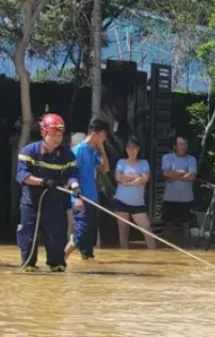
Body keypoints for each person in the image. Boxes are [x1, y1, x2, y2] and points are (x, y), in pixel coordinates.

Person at [16, 113, 83, 272]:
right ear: (43, 133)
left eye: (60, 135)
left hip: (54, 202)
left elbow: (71, 175)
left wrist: (74, 187)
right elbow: (22, 176)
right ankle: (29, 265)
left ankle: (57, 266)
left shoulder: (67, 154)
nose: (57, 138)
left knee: (56, 237)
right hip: (31, 202)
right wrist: (43, 182)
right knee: (28, 237)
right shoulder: (29, 151)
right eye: (53, 134)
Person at [65, 118, 110, 261]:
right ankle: (60, 259)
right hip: (81, 199)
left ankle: (88, 264)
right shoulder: (77, 151)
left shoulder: (92, 151)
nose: (105, 138)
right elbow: (70, 175)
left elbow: (106, 168)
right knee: (80, 235)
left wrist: (101, 147)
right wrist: (77, 197)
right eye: (104, 135)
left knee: (89, 237)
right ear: (97, 133)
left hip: (92, 199)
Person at [113, 136, 156, 249]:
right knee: (123, 231)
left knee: (147, 230)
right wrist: (136, 176)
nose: (131, 150)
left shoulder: (144, 163)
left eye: (134, 148)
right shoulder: (121, 162)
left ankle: (154, 254)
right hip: (121, 201)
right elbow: (118, 177)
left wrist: (128, 182)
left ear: (138, 149)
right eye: (129, 148)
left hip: (138, 204)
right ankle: (124, 256)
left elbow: (144, 178)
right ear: (126, 149)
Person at [161, 135, 197, 247]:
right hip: (170, 198)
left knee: (186, 225)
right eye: (181, 144)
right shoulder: (167, 158)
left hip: (186, 199)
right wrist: (183, 172)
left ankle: (187, 249)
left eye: (185, 144)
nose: (183, 147)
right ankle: (166, 249)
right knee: (168, 225)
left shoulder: (191, 159)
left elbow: (192, 177)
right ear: (175, 145)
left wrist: (174, 175)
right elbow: (166, 174)